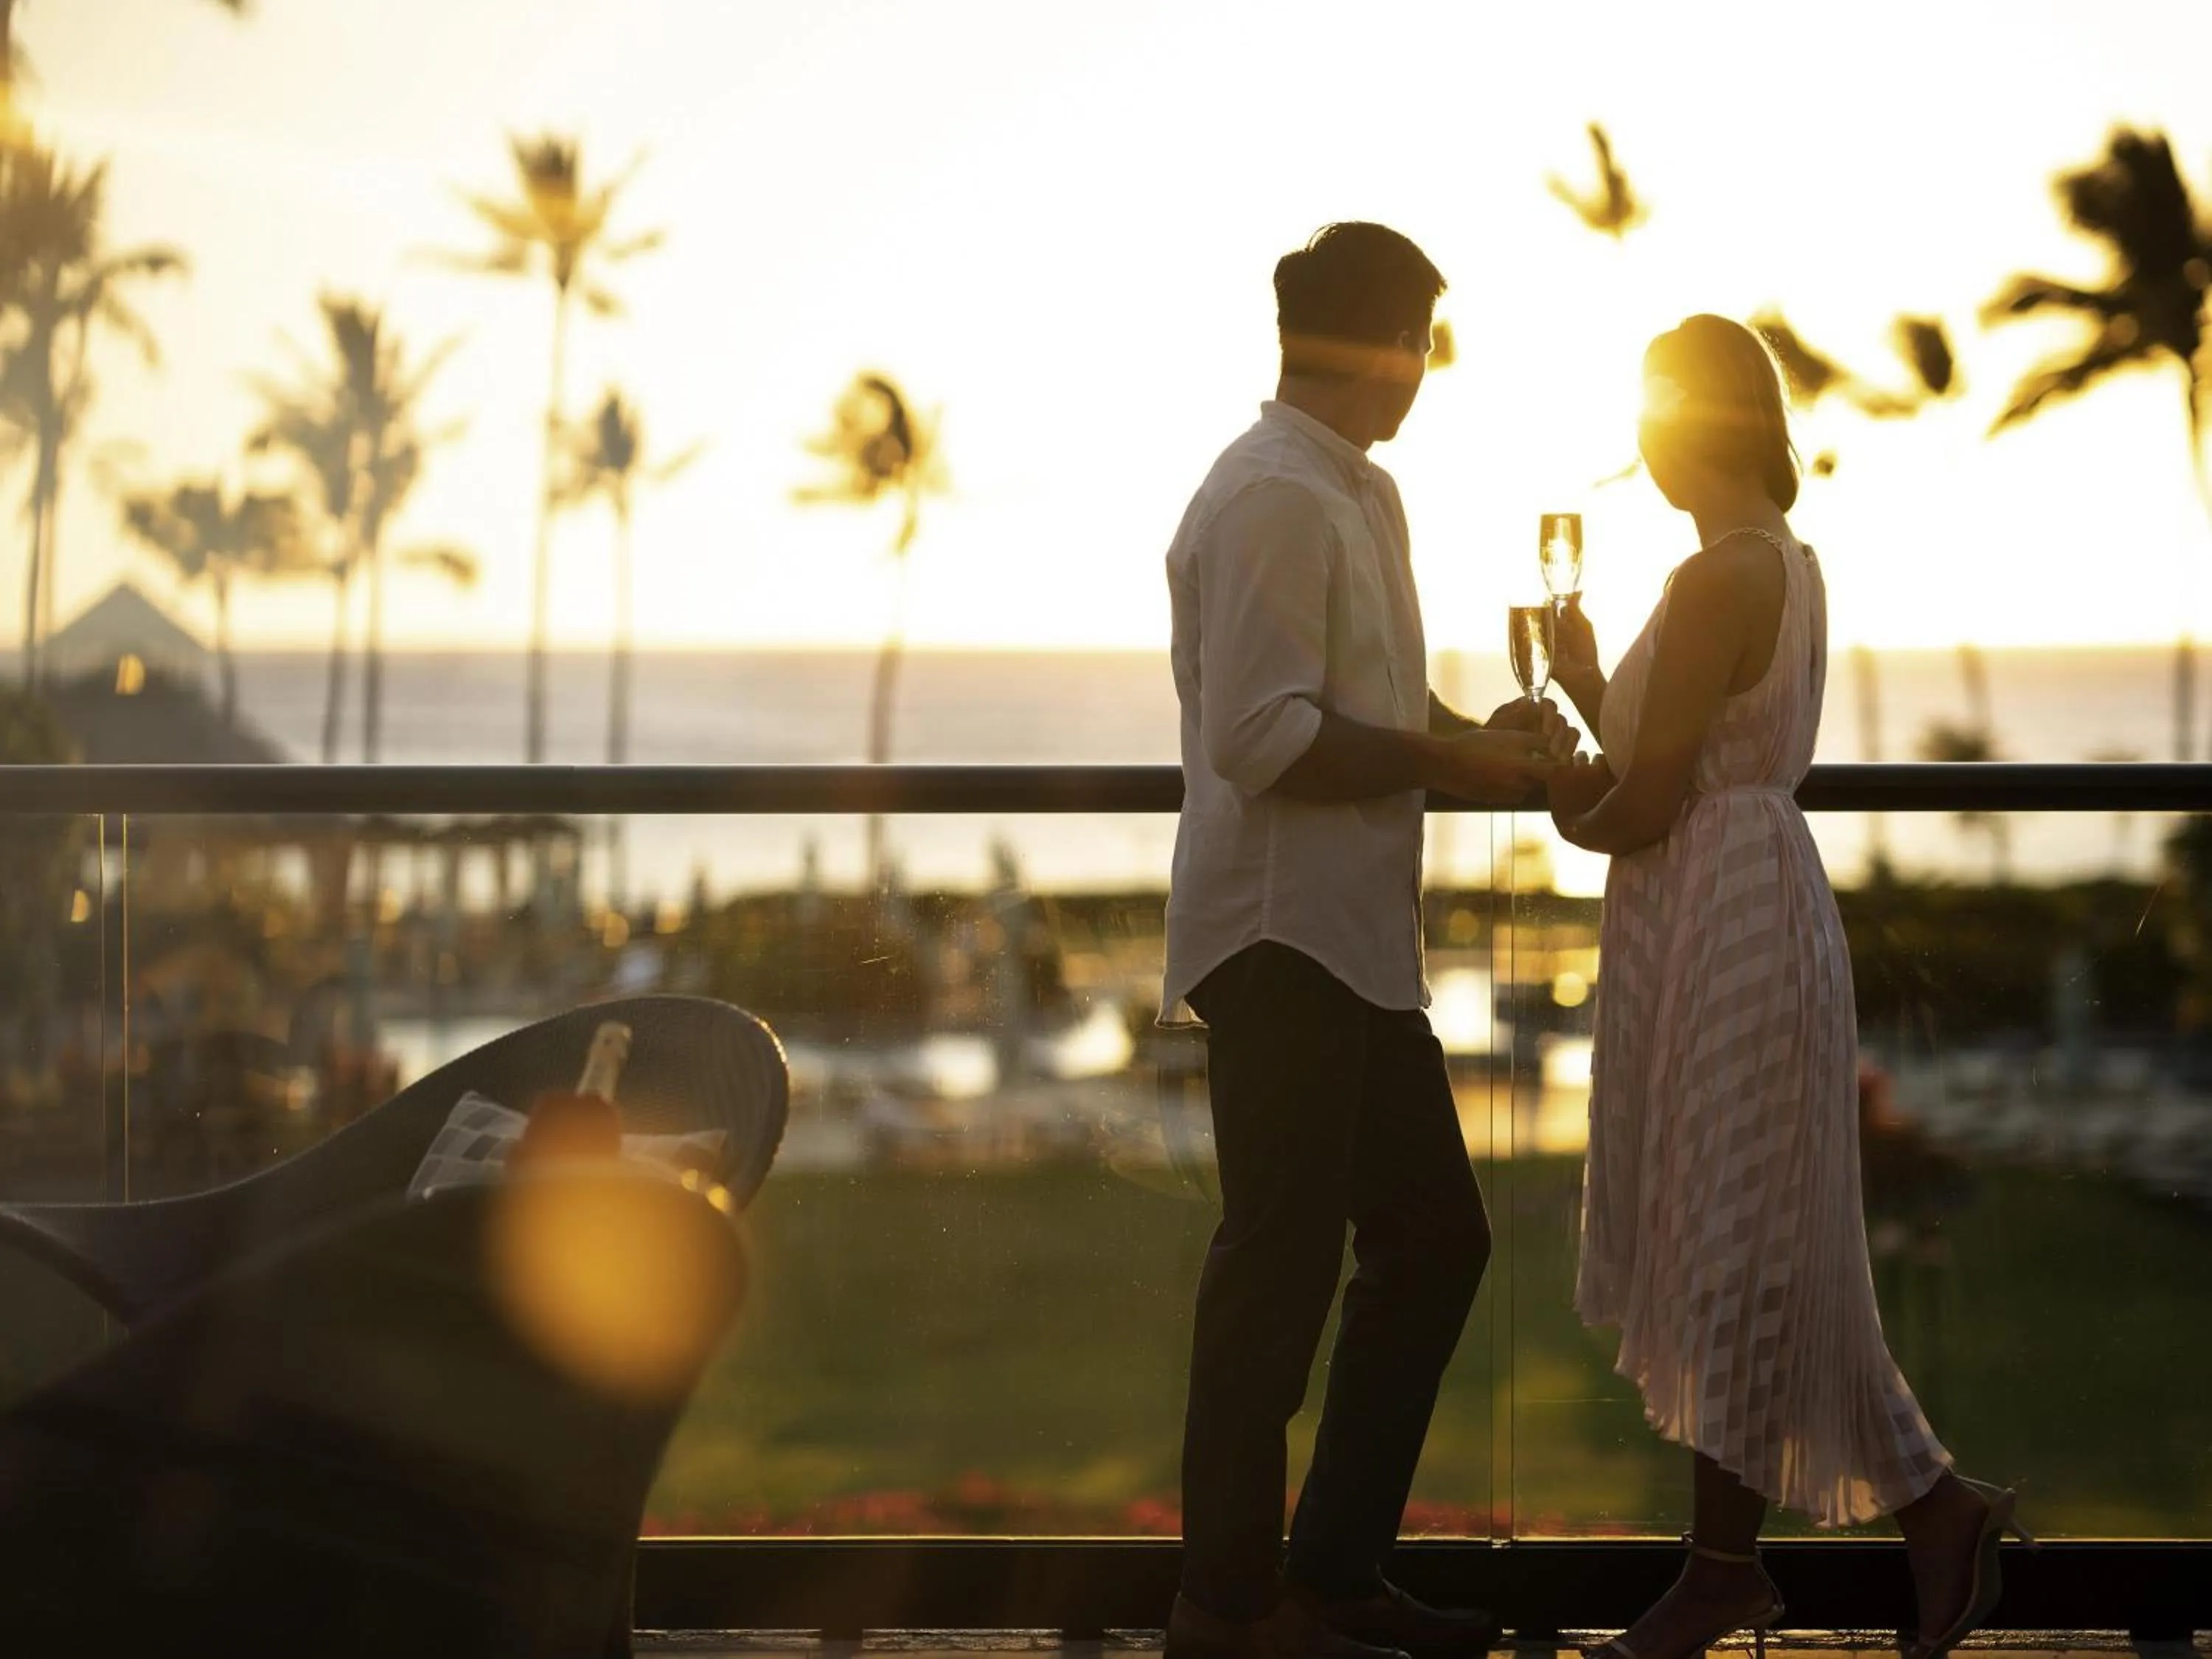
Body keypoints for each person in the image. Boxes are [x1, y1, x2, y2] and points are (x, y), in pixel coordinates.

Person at [1546, 315, 2031, 1659]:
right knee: (1767, 1243)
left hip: (1727, 924)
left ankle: (1725, 1574)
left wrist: (1548, 782)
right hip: (1760, 900)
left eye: (1653, 420)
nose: (1642, 450)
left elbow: (1645, 806)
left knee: (1735, 1248)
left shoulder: (1715, 581)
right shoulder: (1785, 565)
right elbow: (1692, 761)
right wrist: (1591, 692)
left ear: (1686, 430)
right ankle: (1933, 1514)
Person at [1161, 221, 1575, 1659]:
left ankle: (1328, 1579)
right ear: (1366, 344)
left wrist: (1483, 743)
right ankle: (1225, 1613)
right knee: (1272, 1278)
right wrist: (1447, 763)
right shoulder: (1271, 497)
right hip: (1281, 944)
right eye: (1417, 341)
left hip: (1354, 952)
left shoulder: (1365, 496)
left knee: (1432, 1240)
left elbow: (1380, 709)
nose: (1423, 371)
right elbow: (1266, 739)